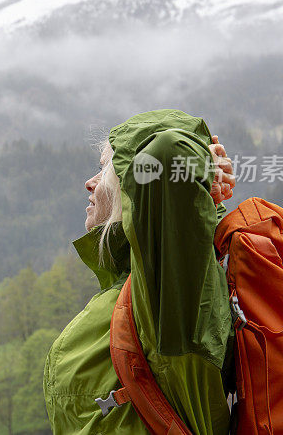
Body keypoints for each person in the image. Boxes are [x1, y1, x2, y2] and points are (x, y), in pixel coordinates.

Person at [43, 109, 236, 434]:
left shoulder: (166, 295)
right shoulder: (143, 285)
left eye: (106, 168)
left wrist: (199, 164)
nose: (89, 183)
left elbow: (169, 151)